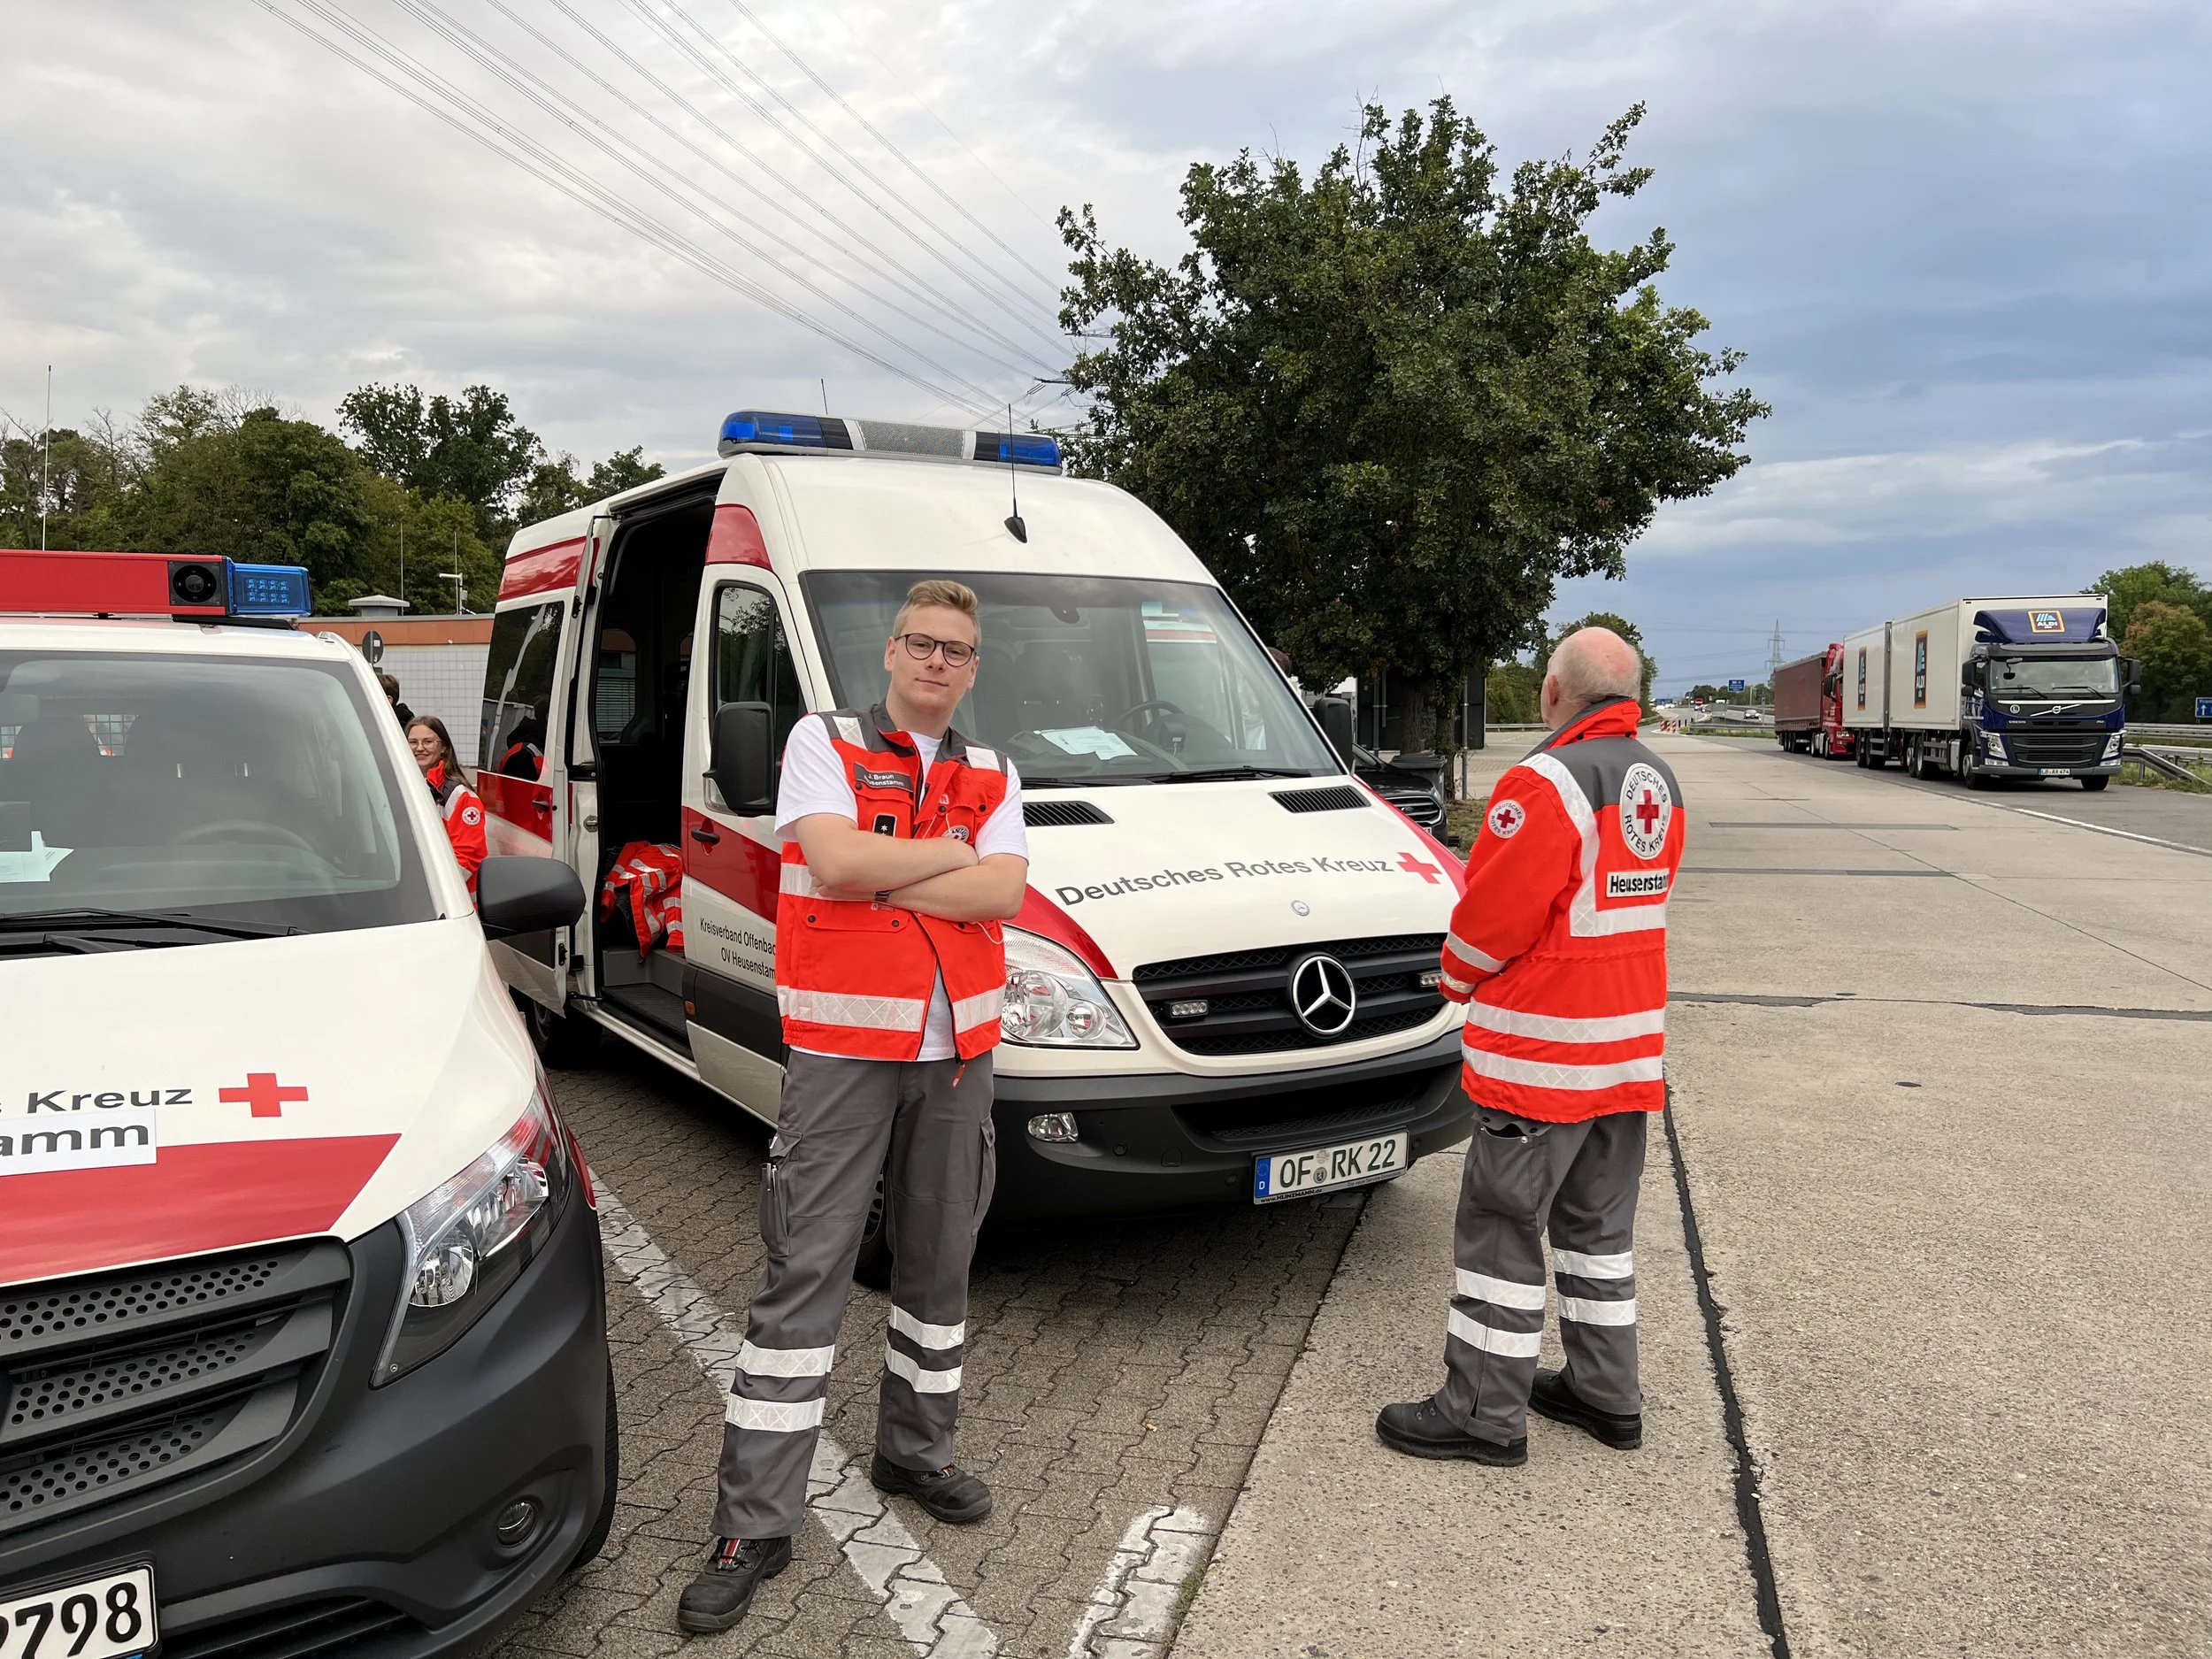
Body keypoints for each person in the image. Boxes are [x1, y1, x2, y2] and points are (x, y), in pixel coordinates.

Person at [679, 580, 1029, 1636]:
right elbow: (829, 860)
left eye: (956, 650)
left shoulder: (993, 768)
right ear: (889, 653)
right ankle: (755, 1520)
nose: (937, 661)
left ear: (973, 668)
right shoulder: (822, 740)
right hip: (841, 1052)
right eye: (921, 643)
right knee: (804, 1275)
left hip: (960, 1056)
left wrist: (889, 877)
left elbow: (1003, 893)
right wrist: (944, 860)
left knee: (938, 1264)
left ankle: (915, 1453)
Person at [1376, 626, 1685, 1467]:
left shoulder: (1544, 783)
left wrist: (1452, 975)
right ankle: (1606, 1391)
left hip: (1544, 1063)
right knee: (1597, 1232)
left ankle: (1482, 1409)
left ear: (1555, 693)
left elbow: (1494, 919)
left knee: (1501, 1231)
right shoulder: (1657, 779)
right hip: (1626, 1057)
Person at [405, 714, 488, 900]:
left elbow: (468, 856)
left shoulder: (461, 797)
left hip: (449, 903)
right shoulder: (403, 786)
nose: (419, 748)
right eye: (412, 742)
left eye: (428, 742)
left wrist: (433, 891)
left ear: (443, 748)